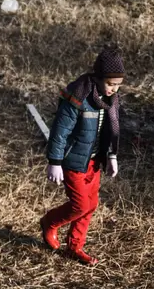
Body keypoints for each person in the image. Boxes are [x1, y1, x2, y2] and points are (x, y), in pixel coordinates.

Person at [39, 46, 126, 266]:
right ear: (98, 77)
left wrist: (112, 156)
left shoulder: (110, 101)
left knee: (92, 204)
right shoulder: (78, 96)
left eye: (117, 85)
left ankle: (75, 247)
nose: (114, 89)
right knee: (80, 205)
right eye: (110, 84)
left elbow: (110, 131)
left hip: (94, 162)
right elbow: (60, 130)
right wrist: (55, 161)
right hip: (73, 161)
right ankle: (50, 222)